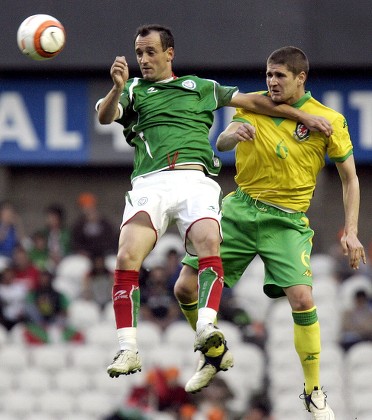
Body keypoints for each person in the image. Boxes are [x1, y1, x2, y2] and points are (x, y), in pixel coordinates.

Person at [95, 24, 332, 381]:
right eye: (139, 53)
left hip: (195, 179)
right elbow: (104, 115)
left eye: (150, 52)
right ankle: (128, 347)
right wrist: (116, 88)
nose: (143, 59)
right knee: (128, 255)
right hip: (151, 181)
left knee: (208, 243)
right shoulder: (131, 90)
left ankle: (207, 328)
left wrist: (306, 116)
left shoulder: (199, 87)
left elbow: (257, 102)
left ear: (169, 53)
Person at [174, 46, 366, 418]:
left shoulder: (329, 120)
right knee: (183, 287)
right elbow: (221, 142)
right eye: (268, 75)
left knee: (302, 300)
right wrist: (234, 134)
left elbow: (351, 179)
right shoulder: (254, 104)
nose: (272, 82)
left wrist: (352, 231)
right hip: (240, 210)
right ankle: (212, 354)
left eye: (280, 76)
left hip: (286, 220)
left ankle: (313, 391)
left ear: (300, 78)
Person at [71, 192, 118, 258]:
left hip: (104, 255)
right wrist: (81, 251)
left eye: (90, 206)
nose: (88, 209)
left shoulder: (105, 223)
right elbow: (75, 242)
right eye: (85, 206)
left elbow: (111, 240)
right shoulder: (78, 225)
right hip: (85, 256)